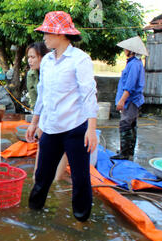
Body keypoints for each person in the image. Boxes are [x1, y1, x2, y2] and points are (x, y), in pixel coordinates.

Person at [26, 11, 99, 223]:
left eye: (48, 32)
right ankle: (33, 215)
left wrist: (91, 129)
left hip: (75, 128)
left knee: (80, 178)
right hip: (50, 127)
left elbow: (88, 94)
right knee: (42, 176)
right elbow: (42, 93)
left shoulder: (80, 59)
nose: (44, 37)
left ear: (62, 34)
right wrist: (34, 122)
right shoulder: (47, 60)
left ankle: (81, 222)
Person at [27, 42, 68, 182]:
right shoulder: (32, 75)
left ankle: (57, 180)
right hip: (46, 112)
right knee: (42, 141)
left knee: (65, 147)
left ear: (43, 57)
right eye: (28, 57)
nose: (30, 60)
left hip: (65, 113)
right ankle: (38, 177)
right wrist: (37, 122)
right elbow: (37, 100)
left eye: (33, 57)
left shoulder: (57, 70)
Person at [111, 36, 148, 161]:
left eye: (126, 49)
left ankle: (125, 153)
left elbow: (130, 86)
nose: (124, 51)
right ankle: (127, 150)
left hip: (131, 100)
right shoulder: (135, 63)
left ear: (131, 51)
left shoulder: (134, 65)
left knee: (125, 124)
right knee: (131, 124)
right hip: (134, 100)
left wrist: (122, 100)